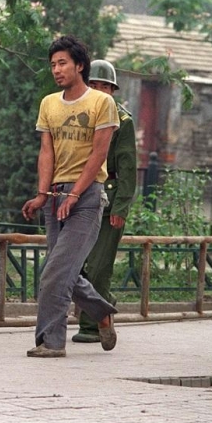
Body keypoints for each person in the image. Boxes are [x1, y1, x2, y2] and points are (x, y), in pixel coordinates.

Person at [22, 36, 120, 358]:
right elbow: (46, 152)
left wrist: (76, 194)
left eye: (62, 63)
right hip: (54, 197)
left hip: (88, 197)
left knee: (54, 271)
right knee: (60, 268)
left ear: (80, 65)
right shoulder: (49, 104)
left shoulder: (101, 102)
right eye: (52, 64)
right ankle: (102, 312)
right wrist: (41, 195)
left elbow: (99, 153)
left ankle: (51, 342)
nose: (56, 69)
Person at [72, 60, 137, 344]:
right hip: (78, 196)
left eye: (104, 87)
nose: (99, 91)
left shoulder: (123, 122)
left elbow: (128, 168)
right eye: (94, 85)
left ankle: (91, 326)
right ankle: (104, 304)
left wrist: (121, 207)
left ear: (112, 90)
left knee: (99, 267)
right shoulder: (76, 115)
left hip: (109, 199)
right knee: (75, 265)